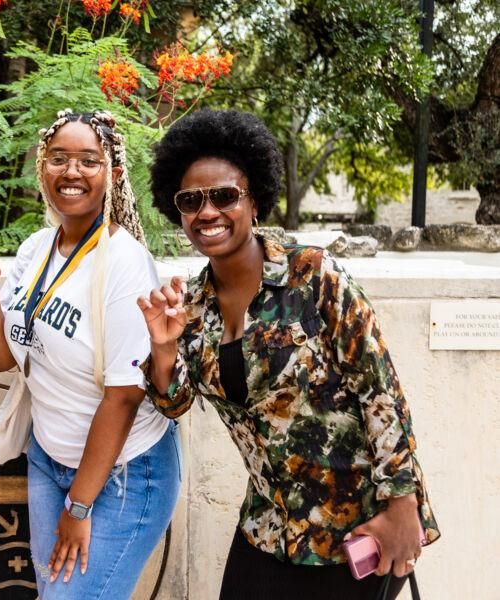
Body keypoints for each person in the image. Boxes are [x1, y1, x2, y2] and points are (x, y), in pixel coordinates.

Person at [138, 109, 440, 600]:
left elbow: (381, 393)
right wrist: (163, 348)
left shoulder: (312, 275)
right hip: (266, 527)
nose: (207, 211)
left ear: (254, 200)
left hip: (353, 531)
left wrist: (403, 506)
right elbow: (173, 404)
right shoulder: (190, 308)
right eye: (190, 201)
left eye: (224, 196)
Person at [0, 109, 180, 599]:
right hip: (49, 457)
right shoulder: (37, 249)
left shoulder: (125, 263)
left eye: (88, 161)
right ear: (42, 169)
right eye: (58, 159)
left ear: (113, 174)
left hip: (121, 473)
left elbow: (123, 398)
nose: (71, 172)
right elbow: (4, 358)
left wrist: (79, 507)